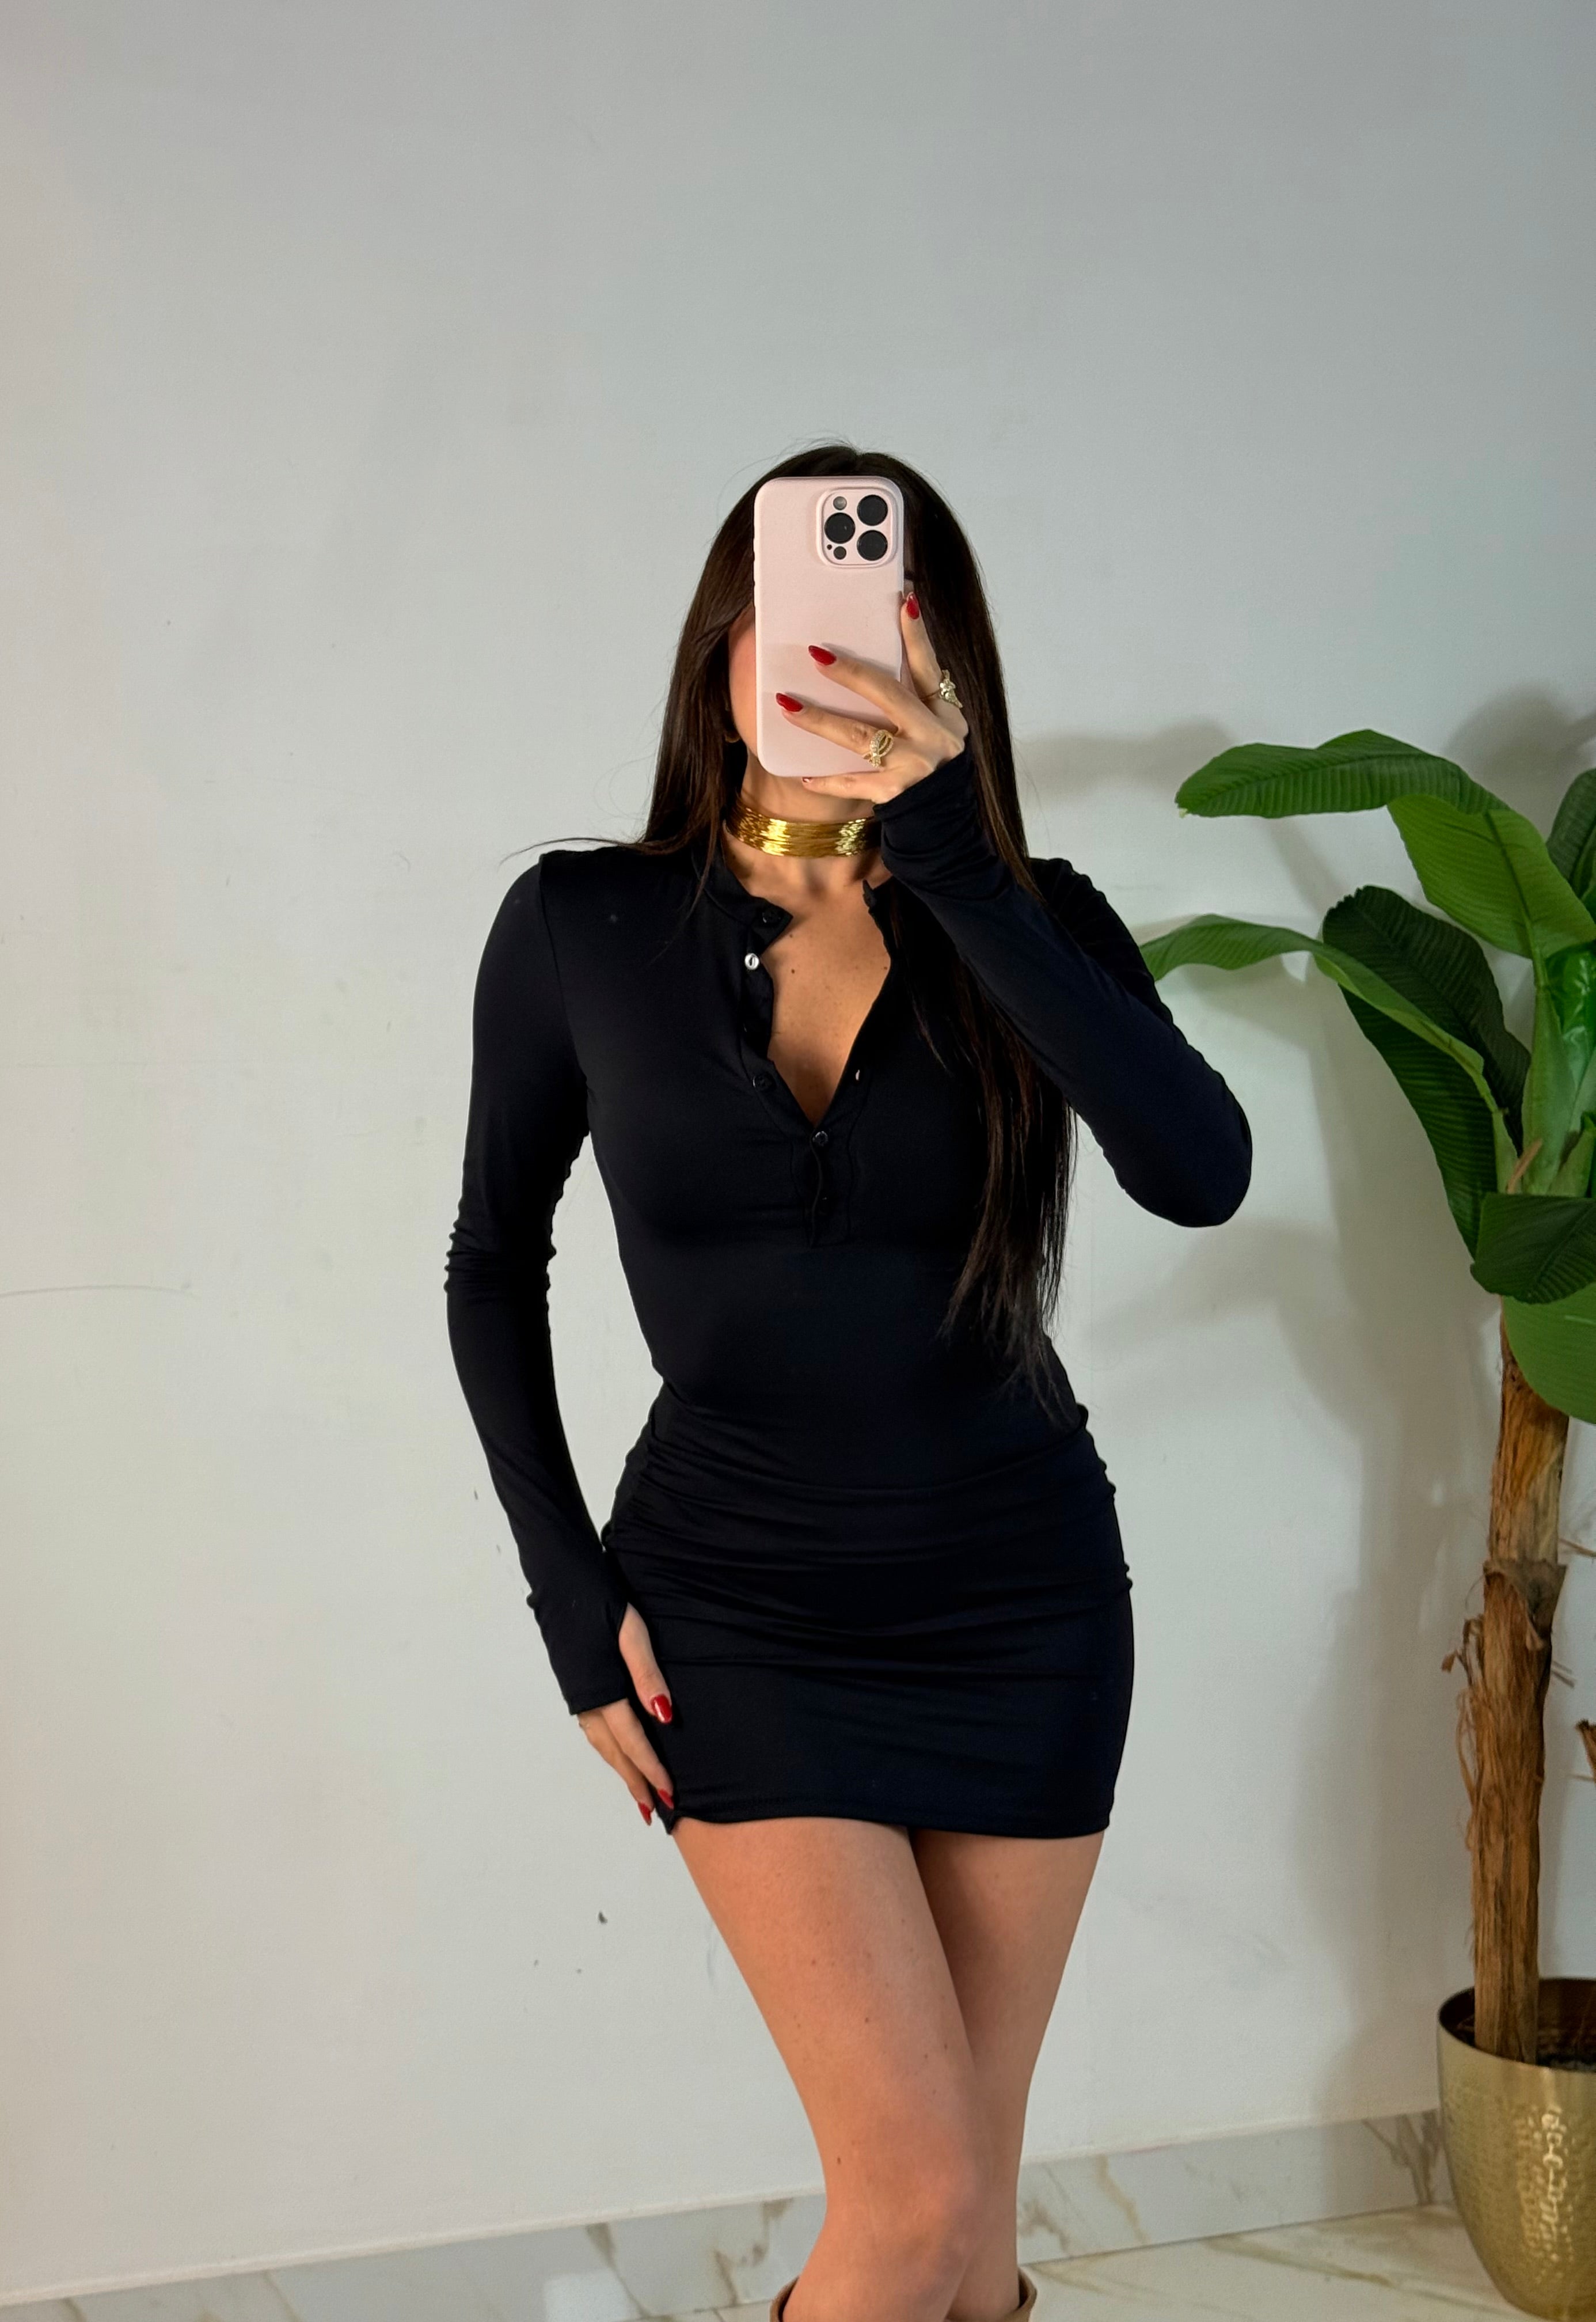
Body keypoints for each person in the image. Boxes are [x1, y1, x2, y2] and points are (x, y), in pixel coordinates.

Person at [444, 445, 1252, 2322]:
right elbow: (492, 1264)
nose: (820, 663)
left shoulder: (1028, 915)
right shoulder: (579, 925)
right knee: (911, 2200)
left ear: (944, 667)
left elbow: (1197, 1173)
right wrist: (569, 1597)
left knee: (966, 2235)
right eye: (785, 617)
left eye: (881, 626)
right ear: (717, 651)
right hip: (735, 1609)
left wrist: (955, 856)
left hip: (1021, 1607)